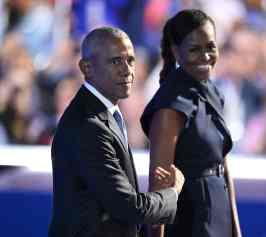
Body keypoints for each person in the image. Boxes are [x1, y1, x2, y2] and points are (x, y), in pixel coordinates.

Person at [48, 27, 185, 237]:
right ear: (86, 67)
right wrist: (172, 193)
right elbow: (129, 207)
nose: (127, 70)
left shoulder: (105, 113)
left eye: (130, 60)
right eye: (115, 61)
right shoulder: (88, 126)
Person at [141, 9, 242, 237]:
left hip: (219, 212)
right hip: (190, 219)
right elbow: (158, 187)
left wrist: (235, 228)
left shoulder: (214, 92)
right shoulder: (170, 106)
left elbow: (223, 165)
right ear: (176, 52)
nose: (206, 56)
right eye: (195, 49)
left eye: (211, 47)